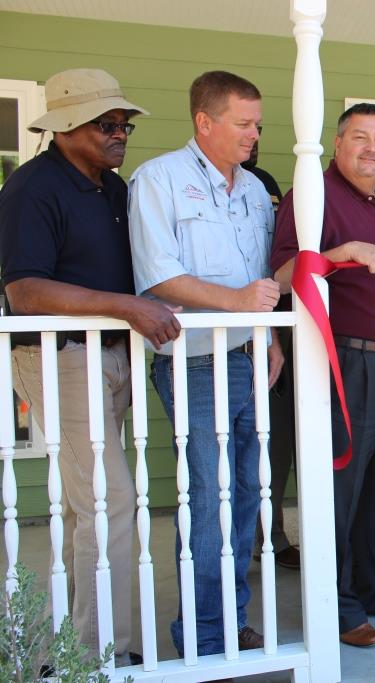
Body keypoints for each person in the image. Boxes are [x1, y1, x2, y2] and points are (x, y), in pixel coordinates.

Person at [0, 68, 179, 666]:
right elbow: (25, 292)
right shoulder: (33, 188)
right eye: (106, 124)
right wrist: (127, 306)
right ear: (67, 126)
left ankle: (80, 649)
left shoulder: (114, 188)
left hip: (113, 358)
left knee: (91, 508)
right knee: (110, 502)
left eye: (124, 125)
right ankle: (105, 656)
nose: (119, 134)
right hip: (61, 358)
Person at [128, 70, 283, 656]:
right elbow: (158, 276)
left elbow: (261, 275)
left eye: (257, 124)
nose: (254, 134)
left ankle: (230, 623)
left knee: (245, 497)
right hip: (193, 362)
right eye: (243, 123)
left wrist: (269, 334)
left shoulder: (253, 189)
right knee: (209, 503)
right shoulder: (159, 178)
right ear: (204, 121)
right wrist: (237, 302)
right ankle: (203, 638)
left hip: (248, 356)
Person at [271, 102, 375, 647]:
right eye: (360, 137)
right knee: (341, 488)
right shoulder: (311, 194)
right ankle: (337, 606)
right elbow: (283, 273)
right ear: (337, 144)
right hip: (350, 361)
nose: (372, 148)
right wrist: (342, 252)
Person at [241, 136, 301, 571]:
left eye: (258, 129)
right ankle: (254, 540)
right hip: (245, 327)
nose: (254, 138)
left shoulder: (263, 185)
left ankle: (272, 536)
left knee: (277, 442)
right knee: (258, 441)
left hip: (281, 323)